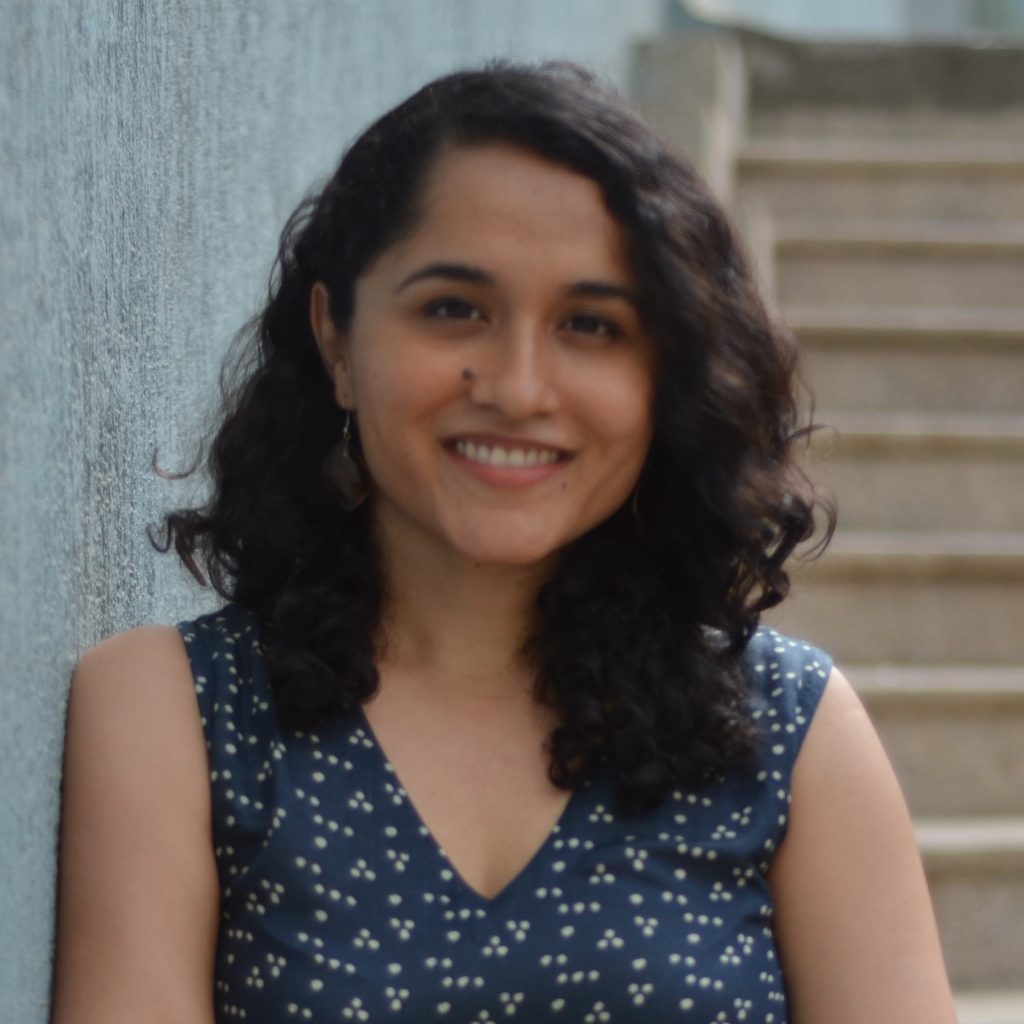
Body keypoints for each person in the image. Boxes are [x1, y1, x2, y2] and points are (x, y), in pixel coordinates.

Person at [52, 63, 957, 1023]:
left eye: (590, 324)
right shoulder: (170, 712)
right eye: (454, 308)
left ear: (667, 377)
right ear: (335, 339)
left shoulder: (792, 732)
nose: (521, 388)